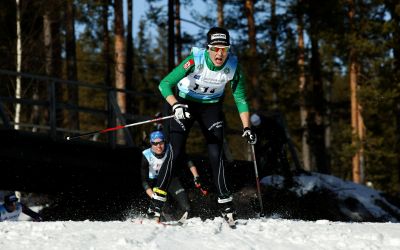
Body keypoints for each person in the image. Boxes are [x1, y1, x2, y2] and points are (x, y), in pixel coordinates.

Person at [152, 27, 257, 223]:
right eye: (215, 49)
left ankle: (225, 203)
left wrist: (247, 128)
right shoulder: (195, 60)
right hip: (185, 103)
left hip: (210, 108)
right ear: (208, 48)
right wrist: (175, 105)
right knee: (175, 150)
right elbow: (164, 84)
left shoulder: (233, 66)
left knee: (217, 154)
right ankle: (156, 203)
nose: (219, 54)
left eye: (224, 49)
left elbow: (240, 98)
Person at [141, 131, 206, 222]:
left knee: (187, 207)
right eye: (155, 144)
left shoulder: (171, 149)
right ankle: (161, 219)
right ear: (151, 144)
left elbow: (187, 160)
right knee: (165, 208)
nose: (158, 147)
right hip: (156, 184)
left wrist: (196, 176)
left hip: (171, 180)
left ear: (165, 142)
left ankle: (186, 222)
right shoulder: (146, 155)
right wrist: (154, 197)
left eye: (161, 143)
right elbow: (144, 181)